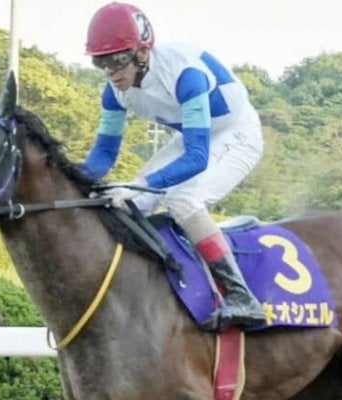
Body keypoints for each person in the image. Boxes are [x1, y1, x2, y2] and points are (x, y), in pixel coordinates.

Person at [80, 2, 266, 330]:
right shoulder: (113, 92)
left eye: (117, 60)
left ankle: (243, 298)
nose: (110, 72)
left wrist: (142, 184)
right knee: (133, 203)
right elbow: (104, 156)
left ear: (142, 52)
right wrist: (72, 180)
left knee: (183, 200)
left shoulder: (185, 75)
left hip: (236, 134)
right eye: (100, 62)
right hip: (193, 136)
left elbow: (197, 158)